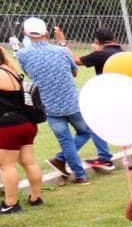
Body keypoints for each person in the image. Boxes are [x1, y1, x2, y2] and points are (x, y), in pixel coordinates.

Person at [17, 17, 113, 179]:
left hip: (48, 105)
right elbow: (74, 72)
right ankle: (62, 160)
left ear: (25, 33)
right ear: (46, 33)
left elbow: (29, 74)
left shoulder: (22, 55)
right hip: (72, 101)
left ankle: (79, 175)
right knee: (85, 132)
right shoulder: (61, 51)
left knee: (65, 140)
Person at [0, 45, 44, 212]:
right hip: (26, 124)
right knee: (28, 161)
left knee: (7, 166)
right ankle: (36, 198)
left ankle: (10, 204)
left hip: (9, 126)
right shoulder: (10, 70)